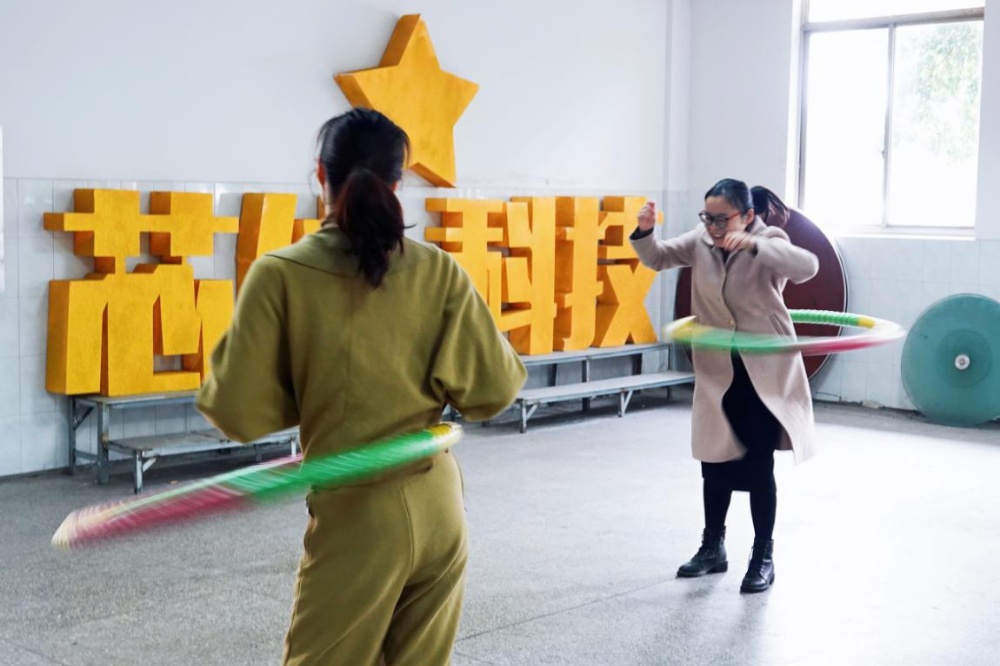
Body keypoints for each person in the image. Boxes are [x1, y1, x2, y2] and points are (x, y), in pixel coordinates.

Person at [196, 107, 527, 664]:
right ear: (398, 183)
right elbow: (494, 390)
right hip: (440, 507)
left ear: (320, 176)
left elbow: (237, 412)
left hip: (357, 517)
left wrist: (313, 385)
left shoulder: (281, 274)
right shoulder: (438, 269)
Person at [630, 178, 818, 593]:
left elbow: (807, 267)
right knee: (713, 462)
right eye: (707, 217)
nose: (713, 227)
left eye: (722, 219)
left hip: (763, 372)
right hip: (717, 371)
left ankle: (763, 556)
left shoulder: (770, 239)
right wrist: (645, 231)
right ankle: (712, 547)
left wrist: (754, 245)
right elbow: (657, 257)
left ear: (747, 215)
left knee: (758, 466)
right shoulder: (700, 240)